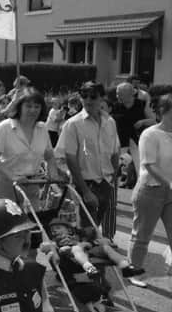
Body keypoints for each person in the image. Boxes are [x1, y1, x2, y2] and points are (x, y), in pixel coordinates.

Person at [56, 82, 120, 229]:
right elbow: (68, 158)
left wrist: (111, 180)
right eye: (84, 96)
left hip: (105, 182)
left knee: (95, 229)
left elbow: (115, 151)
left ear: (102, 98)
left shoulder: (110, 122)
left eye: (93, 96)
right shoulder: (73, 124)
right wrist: (85, 190)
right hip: (85, 183)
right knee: (86, 232)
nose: (88, 100)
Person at [128, 94, 172, 288]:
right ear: (163, 111)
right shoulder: (150, 134)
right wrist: (170, 182)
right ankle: (134, 271)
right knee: (142, 235)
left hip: (170, 191)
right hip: (150, 190)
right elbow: (149, 164)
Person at [0, 89, 61, 203]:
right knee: (4, 219)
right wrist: (13, 176)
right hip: (5, 187)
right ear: (20, 107)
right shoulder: (5, 127)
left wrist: (54, 174)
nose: (33, 110)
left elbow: (49, 156)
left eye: (37, 106)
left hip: (31, 187)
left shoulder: (42, 129)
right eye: (28, 106)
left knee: (33, 220)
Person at [49, 218, 144, 279]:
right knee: (76, 249)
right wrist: (58, 248)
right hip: (71, 255)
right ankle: (89, 268)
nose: (55, 231)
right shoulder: (55, 241)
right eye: (52, 230)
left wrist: (86, 243)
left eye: (58, 228)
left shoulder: (77, 235)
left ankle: (125, 267)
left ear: (69, 230)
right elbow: (52, 247)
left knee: (106, 247)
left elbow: (90, 237)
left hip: (88, 250)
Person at [112, 82, 156, 172]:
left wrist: (142, 122)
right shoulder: (115, 106)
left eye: (119, 94)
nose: (117, 96)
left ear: (129, 94)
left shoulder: (142, 105)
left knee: (140, 168)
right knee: (117, 168)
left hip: (137, 141)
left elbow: (153, 121)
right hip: (121, 143)